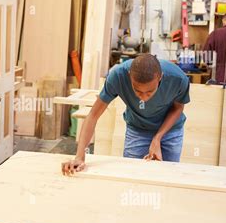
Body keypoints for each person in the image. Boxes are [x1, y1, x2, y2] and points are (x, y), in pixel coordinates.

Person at [62, 54, 190, 175]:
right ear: (129, 76)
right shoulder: (118, 76)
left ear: (160, 77)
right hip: (137, 129)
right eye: (138, 91)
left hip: (170, 131)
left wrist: (158, 138)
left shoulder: (178, 79)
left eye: (150, 92)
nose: (144, 98)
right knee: (131, 174)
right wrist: (79, 156)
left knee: (168, 175)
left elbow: (178, 108)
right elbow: (93, 115)